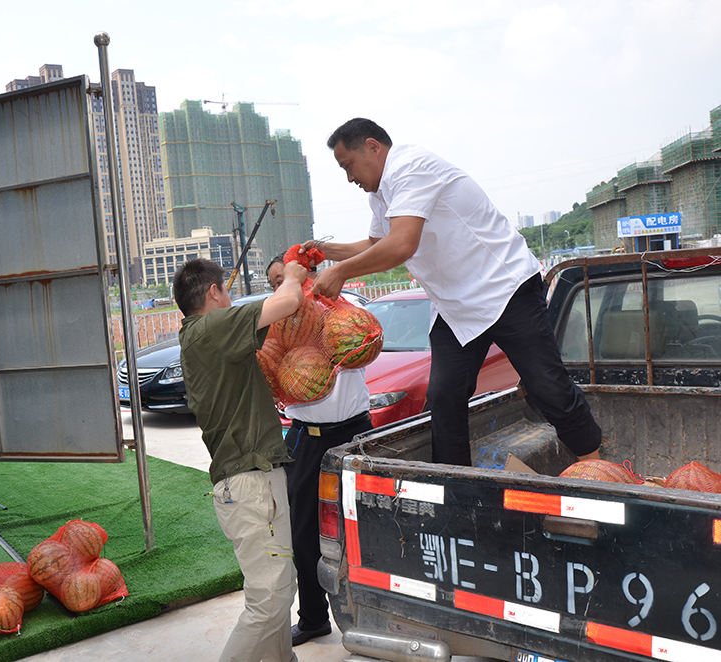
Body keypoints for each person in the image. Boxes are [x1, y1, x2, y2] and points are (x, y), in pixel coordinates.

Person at [306, 117, 602, 466]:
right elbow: (376, 243)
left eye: (348, 166)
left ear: (373, 146)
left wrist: (340, 272)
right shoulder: (380, 194)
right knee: (444, 396)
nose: (349, 178)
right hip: (454, 306)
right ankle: (455, 482)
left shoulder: (411, 167)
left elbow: (400, 246)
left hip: (503, 289)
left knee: (546, 386)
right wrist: (326, 252)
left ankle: (597, 467)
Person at [174, 257, 308, 662]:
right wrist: (294, 276)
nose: (230, 299)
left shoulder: (199, 336)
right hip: (251, 484)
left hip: (252, 482)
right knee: (269, 602)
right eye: (226, 292)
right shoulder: (211, 328)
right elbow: (287, 302)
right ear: (213, 292)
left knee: (279, 591)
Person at [266, 260, 372, 646]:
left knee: (366, 527)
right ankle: (313, 618)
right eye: (277, 282)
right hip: (305, 439)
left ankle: (374, 613)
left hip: (355, 435)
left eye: (291, 277)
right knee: (305, 534)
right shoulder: (276, 333)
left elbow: (366, 342)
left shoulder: (338, 315)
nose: (287, 286)